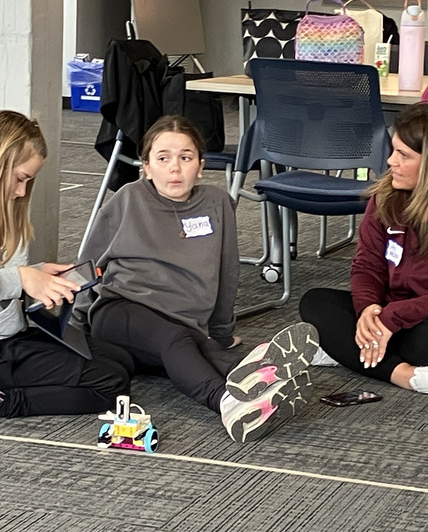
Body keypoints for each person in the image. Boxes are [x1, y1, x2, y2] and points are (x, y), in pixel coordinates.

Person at [76, 115, 319, 443]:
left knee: (207, 351)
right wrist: (75, 331)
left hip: (183, 323)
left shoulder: (217, 203)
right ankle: (227, 403)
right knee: (177, 342)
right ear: (146, 167)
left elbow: (227, 272)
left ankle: (267, 382)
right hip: (121, 312)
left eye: (186, 157)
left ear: (201, 166)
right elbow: (87, 264)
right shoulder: (128, 198)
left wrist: (221, 333)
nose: (175, 168)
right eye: (163, 158)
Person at [0, 110, 134, 418]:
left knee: (121, 360)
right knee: (111, 384)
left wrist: (36, 273)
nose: (20, 192)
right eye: (20, 178)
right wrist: (20, 279)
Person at [300, 102, 428, 397]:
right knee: (315, 302)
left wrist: (391, 318)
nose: (391, 161)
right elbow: (367, 266)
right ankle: (405, 375)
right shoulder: (387, 195)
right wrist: (368, 309)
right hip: (390, 314)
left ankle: (347, 350)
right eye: (393, 150)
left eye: (404, 155)